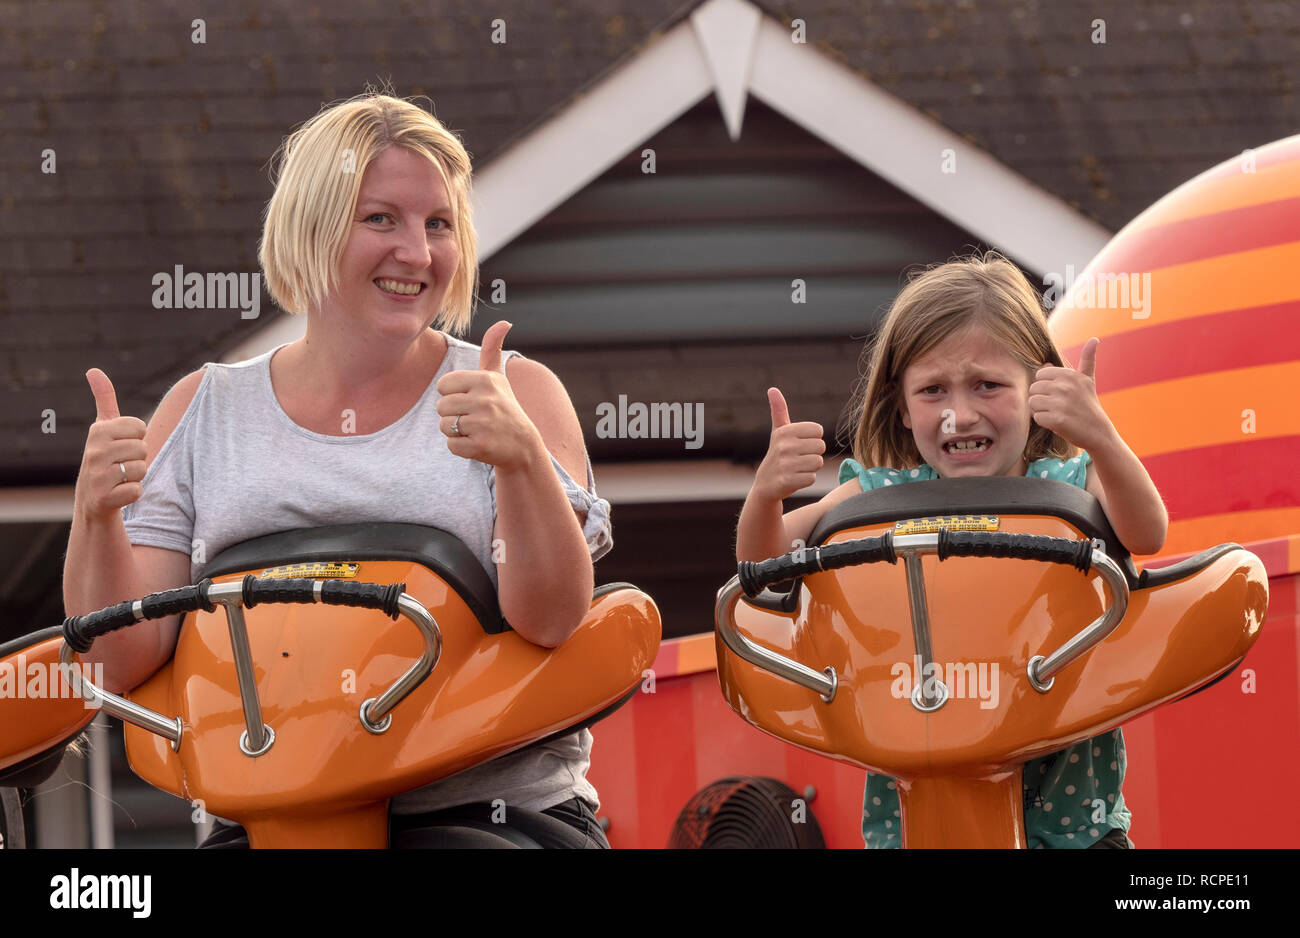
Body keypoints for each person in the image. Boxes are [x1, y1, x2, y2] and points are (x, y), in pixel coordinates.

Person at [63, 90, 614, 848]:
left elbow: (551, 618)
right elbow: (122, 657)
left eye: (439, 224)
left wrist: (520, 461)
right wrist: (95, 517)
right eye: (380, 218)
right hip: (267, 822)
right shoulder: (203, 411)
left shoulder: (517, 392)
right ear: (311, 225)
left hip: (486, 820)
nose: (417, 253)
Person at [735, 252, 1168, 849]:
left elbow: (1147, 532)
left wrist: (1101, 436)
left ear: (1040, 384)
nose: (959, 414)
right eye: (933, 390)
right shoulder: (883, 493)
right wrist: (765, 495)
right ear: (902, 406)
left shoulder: (1070, 481)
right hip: (922, 825)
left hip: (1074, 830)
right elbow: (763, 566)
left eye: (987, 385)